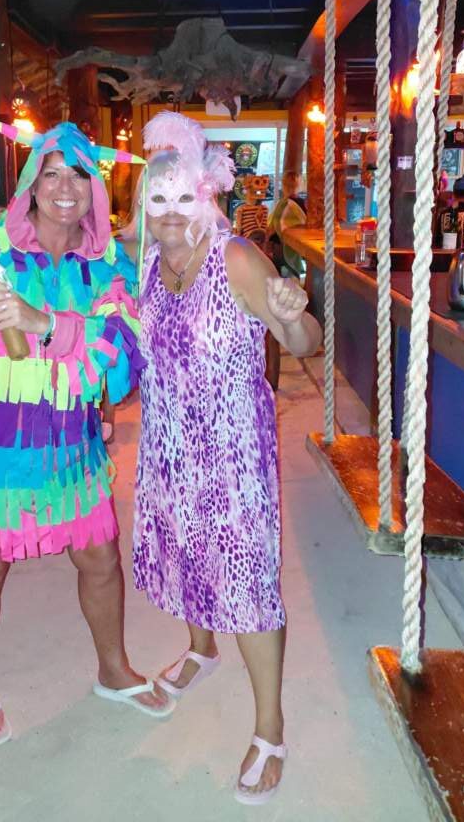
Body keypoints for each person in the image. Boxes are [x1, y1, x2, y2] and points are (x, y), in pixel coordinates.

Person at [0, 122, 172, 749]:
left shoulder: (107, 264)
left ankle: (113, 668)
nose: (65, 187)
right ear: (30, 184)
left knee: (100, 558)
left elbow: (123, 357)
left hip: (71, 444)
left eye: (79, 175)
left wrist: (45, 323)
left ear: (97, 188)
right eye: (51, 173)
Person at [131, 112, 322, 805]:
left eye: (184, 196)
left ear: (206, 194)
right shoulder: (144, 264)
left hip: (233, 452)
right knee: (185, 552)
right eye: (158, 199)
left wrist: (293, 312)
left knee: (247, 582)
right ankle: (200, 648)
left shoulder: (234, 257)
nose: (171, 211)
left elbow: (305, 343)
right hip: (168, 446)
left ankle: (270, 729)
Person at [265, 170, 307, 278]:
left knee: (280, 275)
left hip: (279, 245)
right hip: (297, 244)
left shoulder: (283, 203)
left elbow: (273, 224)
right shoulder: (302, 203)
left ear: (283, 186)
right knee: (292, 276)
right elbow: (305, 221)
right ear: (299, 185)